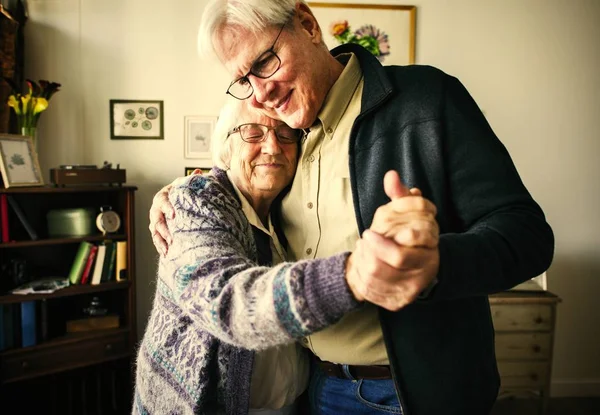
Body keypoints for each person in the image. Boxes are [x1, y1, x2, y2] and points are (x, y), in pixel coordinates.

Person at [148, 1, 555, 414]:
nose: (262, 93)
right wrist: (182, 191)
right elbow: (237, 178)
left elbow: (527, 235)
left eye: (266, 61)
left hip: (413, 394)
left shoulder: (427, 99)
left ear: (307, 25)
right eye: (243, 80)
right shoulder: (286, 136)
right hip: (314, 388)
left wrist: (435, 263)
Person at [136, 98, 438, 415]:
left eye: (285, 134)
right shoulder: (196, 200)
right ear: (225, 147)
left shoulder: (285, 209)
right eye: (253, 133)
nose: (272, 147)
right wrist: (352, 275)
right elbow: (225, 302)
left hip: (298, 402)